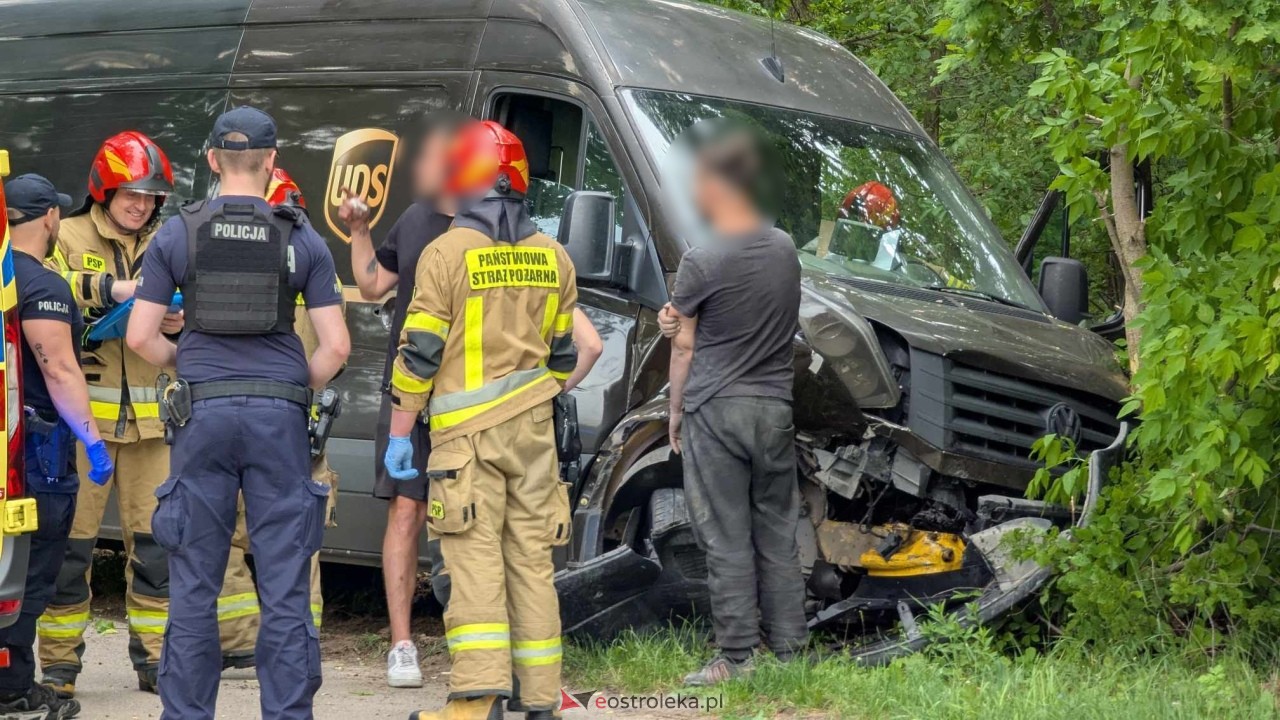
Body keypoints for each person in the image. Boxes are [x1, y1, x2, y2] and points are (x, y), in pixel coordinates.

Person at [126, 106, 349, 720]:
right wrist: (283, 387)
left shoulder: (179, 232)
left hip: (202, 415)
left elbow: (142, 338)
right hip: (280, 420)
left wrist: (192, 369)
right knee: (282, 588)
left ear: (212, 160)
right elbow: (336, 347)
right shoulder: (301, 236)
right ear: (272, 162)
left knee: (194, 585)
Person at [40, 132, 260, 698]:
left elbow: (207, 298)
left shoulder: (172, 237)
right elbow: (43, 286)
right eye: (129, 193)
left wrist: (179, 323)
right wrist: (110, 289)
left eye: (150, 195)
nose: (140, 204)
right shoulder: (65, 235)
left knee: (160, 551)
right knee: (71, 551)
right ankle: (60, 668)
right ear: (103, 191)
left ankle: (157, 663)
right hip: (81, 426)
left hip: (155, 426)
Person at [383, 119, 577, 720]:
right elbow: (565, 357)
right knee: (531, 563)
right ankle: (541, 699)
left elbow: (417, 358)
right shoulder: (553, 256)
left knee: (473, 563)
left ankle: (475, 702)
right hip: (536, 440)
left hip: (466, 443)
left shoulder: (445, 254)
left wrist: (398, 436)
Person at [657, 122, 807, 686]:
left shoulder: (702, 259)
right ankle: (791, 651)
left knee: (724, 536)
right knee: (777, 532)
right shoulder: (785, 248)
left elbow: (685, 343)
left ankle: (738, 657)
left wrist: (675, 411)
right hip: (774, 409)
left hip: (717, 408)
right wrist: (677, 317)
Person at [339, 111, 464, 688]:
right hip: (408, 394)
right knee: (406, 512)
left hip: (469, 401)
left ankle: (474, 640)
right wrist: (359, 228)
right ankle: (402, 645)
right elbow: (371, 285)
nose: (420, 167)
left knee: (472, 521)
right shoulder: (415, 219)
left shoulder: (493, 225)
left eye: (430, 158)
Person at [0, 174, 113, 720]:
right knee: (29, 568)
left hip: (8, 446)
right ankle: (15, 689)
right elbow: (60, 369)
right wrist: (94, 443)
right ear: (48, 218)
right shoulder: (43, 287)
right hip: (36, 455)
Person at [267, 166, 340, 632]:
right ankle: (300, 636)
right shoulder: (319, 266)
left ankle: (240, 636)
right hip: (300, 423)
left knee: (233, 533)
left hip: (270, 418)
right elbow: (335, 351)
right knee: (298, 536)